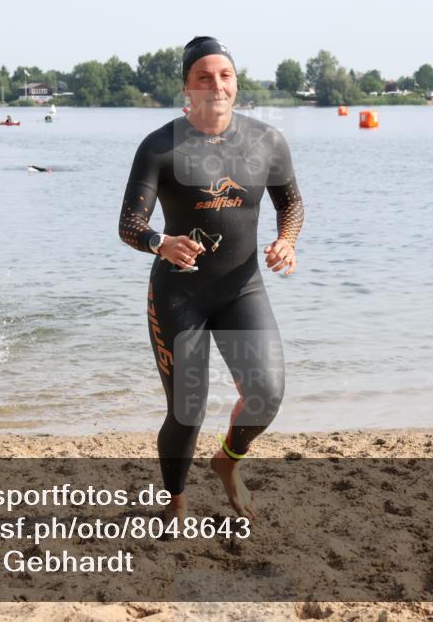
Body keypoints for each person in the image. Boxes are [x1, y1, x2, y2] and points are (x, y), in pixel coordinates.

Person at [119, 36, 304, 521]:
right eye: (204, 76)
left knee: (266, 394)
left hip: (241, 289)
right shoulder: (160, 146)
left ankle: (227, 461)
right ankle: (176, 503)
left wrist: (287, 240)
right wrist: (161, 242)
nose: (216, 85)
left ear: (236, 83)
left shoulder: (267, 141)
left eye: (224, 75)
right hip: (179, 294)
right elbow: (129, 225)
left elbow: (292, 204)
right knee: (188, 410)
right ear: (187, 86)